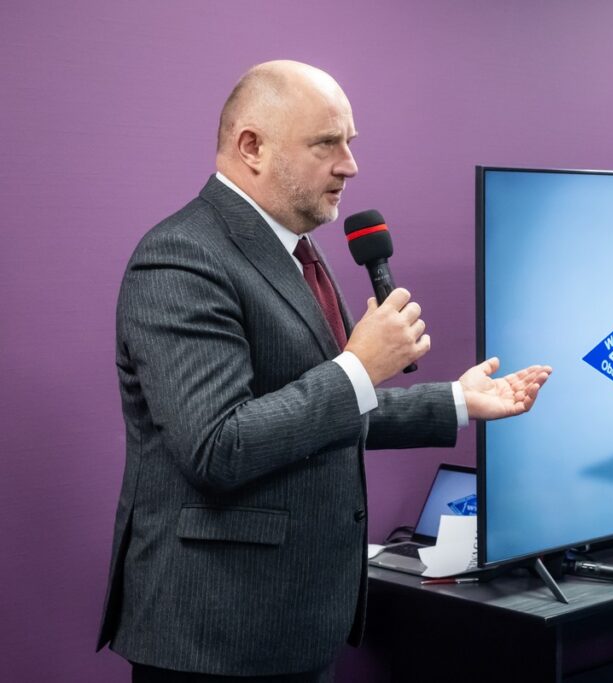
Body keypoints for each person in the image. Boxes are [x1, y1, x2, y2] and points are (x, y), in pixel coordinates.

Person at [96, 60, 550, 682]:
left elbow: (311, 417)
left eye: (350, 142)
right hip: (217, 633)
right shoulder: (181, 258)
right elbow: (219, 445)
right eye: (326, 143)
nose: (350, 165)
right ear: (251, 147)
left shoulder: (296, 252)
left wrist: (456, 401)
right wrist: (360, 365)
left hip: (297, 620)